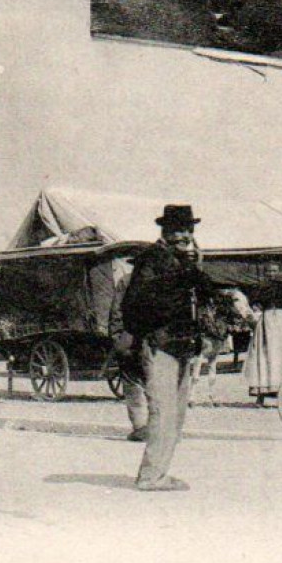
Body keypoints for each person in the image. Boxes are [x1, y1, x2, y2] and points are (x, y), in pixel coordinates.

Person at [120, 204, 216, 492]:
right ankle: (151, 477)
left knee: (175, 414)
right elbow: (135, 305)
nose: (184, 235)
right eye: (178, 230)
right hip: (160, 344)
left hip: (182, 344)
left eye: (188, 230)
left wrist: (194, 268)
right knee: (163, 412)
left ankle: (159, 472)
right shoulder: (152, 260)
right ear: (165, 231)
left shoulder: (183, 260)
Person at [106, 258, 148, 442]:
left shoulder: (125, 281)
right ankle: (159, 428)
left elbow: (116, 313)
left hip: (132, 341)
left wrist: (117, 339)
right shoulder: (162, 283)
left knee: (132, 382)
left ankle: (140, 427)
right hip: (156, 344)